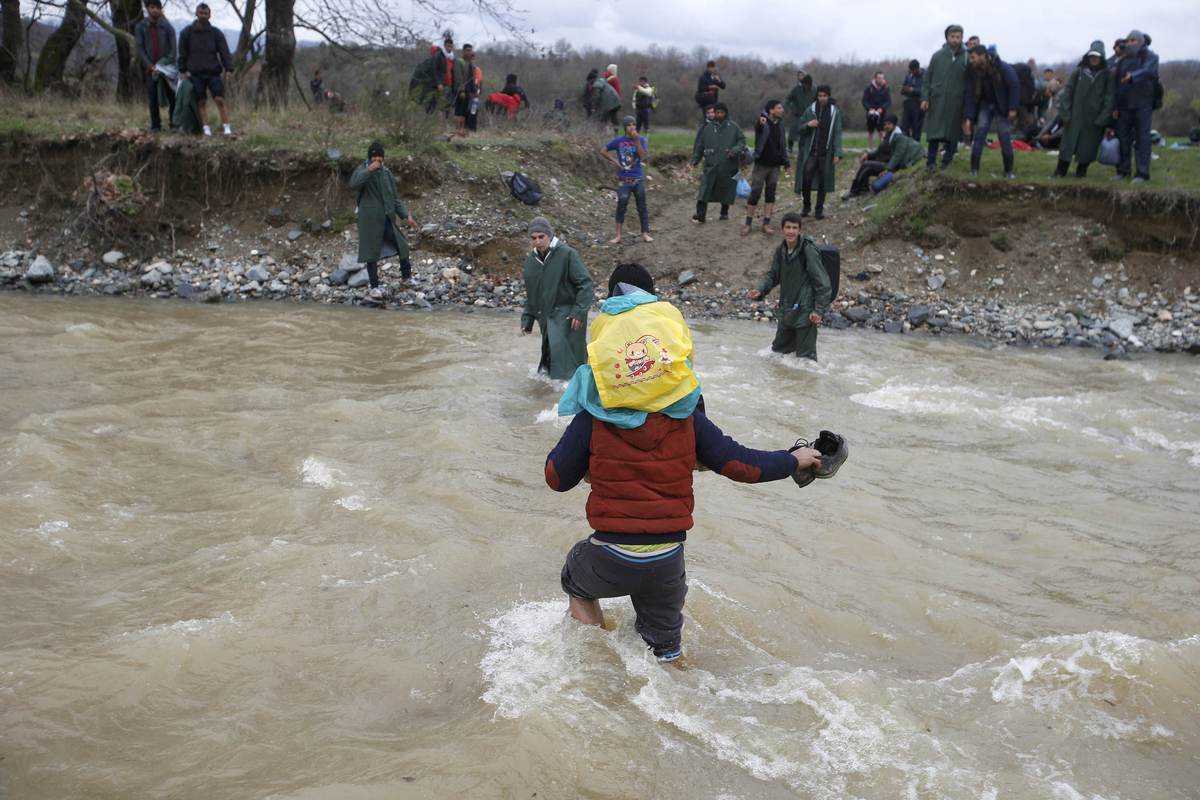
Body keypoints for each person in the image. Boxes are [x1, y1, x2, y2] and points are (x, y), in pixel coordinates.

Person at [548, 262, 825, 664]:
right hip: (667, 561)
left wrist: (590, 458)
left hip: (609, 555)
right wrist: (794, 459)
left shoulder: (594, 416)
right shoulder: (688, 417)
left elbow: (556, 478)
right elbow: (740, 464)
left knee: (575, 580)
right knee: (667, 657)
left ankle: (597, 669)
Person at [748, 212, 832, 361]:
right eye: (788, 227)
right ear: (782, 229)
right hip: (787, 311)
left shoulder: (808, 250)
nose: (791, 231)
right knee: (777, 355)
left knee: (806, 361)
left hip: (806, 313)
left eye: (794, 228)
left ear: (800, 230)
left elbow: (823, 283)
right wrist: (759, 289)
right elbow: (773, 275)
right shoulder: (781, 250)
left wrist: (818, 310)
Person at [521, 217, 594, 380]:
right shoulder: (531, 261)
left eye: (541, 237)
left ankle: (575, 396)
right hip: (546, 318)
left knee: (570, 365)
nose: (538, 241)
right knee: (549, 365)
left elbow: (586, 284)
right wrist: (528, 319)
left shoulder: (567, 254)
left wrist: (579, 311)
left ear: (549, 235)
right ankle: (550, 398)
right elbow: (532, 293)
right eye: (533, 238)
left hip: (569, 316)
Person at [350, 142, 418, 299]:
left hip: (387, 217)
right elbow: (354, 184)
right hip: (369, 220)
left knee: (402, 245)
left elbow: (394, 199)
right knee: (371, 253)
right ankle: (374, 287)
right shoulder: (362, 170)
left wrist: (406, 216)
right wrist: (369, 170)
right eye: (374, 158)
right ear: (369, 158)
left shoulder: (386, 174)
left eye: (379, 158)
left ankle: (407, 278)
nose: (377, 161)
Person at [1055, 41, 1114, 178]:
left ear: (1102, 57)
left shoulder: (1107, 75)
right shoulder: (1079, 72)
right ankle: (1060, 171)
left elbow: (1109, 98)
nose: (1094, 59)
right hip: (1074, 115)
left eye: (1097, 57)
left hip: (1094, 118)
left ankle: (1081, 172)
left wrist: (1103, 117)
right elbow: (1067, 92)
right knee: (1067, 145)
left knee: (1088, 147)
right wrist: (1065, 113)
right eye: (1092, 56)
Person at [964, 45, 1020, 178]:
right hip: (985, 104)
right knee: (980, 135)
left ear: (983, 55)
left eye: (973, 57)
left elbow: (1014, 85)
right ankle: (974, 170)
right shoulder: (972, 71)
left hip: (1002, 106)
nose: (971, 60)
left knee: (1004, 137)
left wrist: (1013, 108)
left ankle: (1008, 172)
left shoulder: (1002, 68)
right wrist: (968, 117)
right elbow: (969, 94)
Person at [177, 2, 233, 137]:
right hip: (195, 73)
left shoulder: (216, 33)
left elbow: (224, 52)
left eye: (206, 13)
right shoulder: (187, 32)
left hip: (213, 72)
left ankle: (227, 127)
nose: (203, 16)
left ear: (210, 15)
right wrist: (182, 69)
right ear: (196, 14)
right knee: (201, 102)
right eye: (201, 13)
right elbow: (182, 52)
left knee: (219, 99)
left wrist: (229, 69)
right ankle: (206, 129)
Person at [1114, 30, 1159, 182]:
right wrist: (1115, 106)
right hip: (1124, 105)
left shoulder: (1151, 57)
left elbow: (1149, 71)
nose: (1130, 43)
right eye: (1128, 41)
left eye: (1133, 40)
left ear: (1140, 41)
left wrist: (1133, 76)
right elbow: (1116, 85)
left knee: (1142, 139)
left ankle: (1142, 173)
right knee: (1123, 138)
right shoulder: (1122, 60)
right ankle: (1123, 171)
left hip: (1142, 104)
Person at [922, 24, 968, 170]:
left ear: (962, 38)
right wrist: (925, 98)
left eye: (958, 37)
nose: (955, 40)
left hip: (956, 101)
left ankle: (947, 162)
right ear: (947, 37)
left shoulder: (966, 57)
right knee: (935, 133)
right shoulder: (937, 56)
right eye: (952, 37)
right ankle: (931, 162)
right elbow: (927, 79)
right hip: (938, 100)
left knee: (953, 133)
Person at [843, 113, 923, 199]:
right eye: (885, 124)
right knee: (867, 168)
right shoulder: (889, 135)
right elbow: (880, 151)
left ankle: (853, 192)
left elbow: (898, 155)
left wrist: (887, 169)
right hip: (887, 162)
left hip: (892, 165)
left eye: (889, 124)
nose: (886, 126)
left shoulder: (899, 137)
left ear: (894, 124)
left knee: (866, 165)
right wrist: (868, 155)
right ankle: (863, 189)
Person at [793, 85, 843, 220]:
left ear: (829, 96)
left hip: (826, 154)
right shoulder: (810, 110)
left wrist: (837, 153)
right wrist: (808, 125)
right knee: (806, 178)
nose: (822, 98)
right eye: (820, 96)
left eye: (825, 96)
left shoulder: (834, 112)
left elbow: (838, 133)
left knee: (823, 181)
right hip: (811, 152)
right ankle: (806, 206)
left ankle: (819, 210)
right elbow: (799, 128)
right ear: (817, 96)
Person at [690, 102, 744, 224]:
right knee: (704, 190)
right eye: (717, 112)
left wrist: (734, 151)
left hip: (728, 165)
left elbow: (742, 142)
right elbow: (700, 146)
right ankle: (700, 215)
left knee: (727, 189)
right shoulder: (707, 128)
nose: (719, 115)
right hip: (710, 165)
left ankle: (724, 213)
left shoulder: (734, 127)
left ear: (726, 113)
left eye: (721, 112)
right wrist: (695, 160)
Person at [743, 99, 790, 235]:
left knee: (771, 195)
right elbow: (758, 127)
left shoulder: (780, 125)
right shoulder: (763, 122)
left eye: (782, 108)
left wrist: (786, 162)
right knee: (755, 194)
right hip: (761, 165)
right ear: (771, 110)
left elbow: (783, 145)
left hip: (775, 166)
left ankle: (766, 223)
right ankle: (748, 224)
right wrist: (760, 121)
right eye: (779, 108)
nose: (782, 110)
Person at [603, 116, 653, 244]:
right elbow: (603, 151)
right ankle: (618, 236)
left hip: (638, 178)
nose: (632, 127)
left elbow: (643, 157)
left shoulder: (641, 139)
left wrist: (636, 141)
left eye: (634, 125)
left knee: (642, 206)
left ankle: (645, 234)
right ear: (625, 127)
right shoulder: (619, 140)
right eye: (629, 125)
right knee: (621, 205)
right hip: (623, 179)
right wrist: (615, 161)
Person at [134, 0, 177, 133]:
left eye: (157, 7)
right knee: (153, 98)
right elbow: (140, 49)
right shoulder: (140, 27)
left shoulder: (168, 26)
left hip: (167, 69)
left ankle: (174, 124)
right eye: (152, 7)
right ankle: (155, 126)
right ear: (147, 8)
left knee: (172, 97)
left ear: (160, 9)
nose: (154, 10)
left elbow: (173, 49)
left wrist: (163, 64)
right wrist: (150, 65)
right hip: (150, 69)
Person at [785, 71, 815, 151]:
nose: (806, 87)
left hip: (809, 114)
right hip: (797, 114)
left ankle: (806, 148)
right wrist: (787, 108)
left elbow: (818, 101)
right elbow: (788, 98)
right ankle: (790, 148)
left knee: (807, 132)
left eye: (808, 85)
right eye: (805, 85)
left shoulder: (814, 89)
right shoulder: (796, 89)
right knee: (793, 131)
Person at [862, 71, 892, 148]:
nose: (881, 80)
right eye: (879, 78)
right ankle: (870, 149)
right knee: (870, 132)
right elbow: (864, 101)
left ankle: (882, 149)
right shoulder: (868, 88)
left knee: (882, 132)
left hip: (882, 114)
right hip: (871, 113)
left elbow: (888, 101)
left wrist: (882, 108)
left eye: (882, 78)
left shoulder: (886, 88)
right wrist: (869, 108)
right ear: (875, 78)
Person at [900, 59, 925, 140]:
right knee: (904, 126)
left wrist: (913, 90)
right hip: (908, 103)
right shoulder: (909, 76)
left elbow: (925, 91)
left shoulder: (925, 76)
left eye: (912, 71)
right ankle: (907, 144)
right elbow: (904, 87)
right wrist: (904, 90)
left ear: (917, 69)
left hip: (919, 104)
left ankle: (916, 147)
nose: (911, 72)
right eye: (910, 70)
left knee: (916, 128)